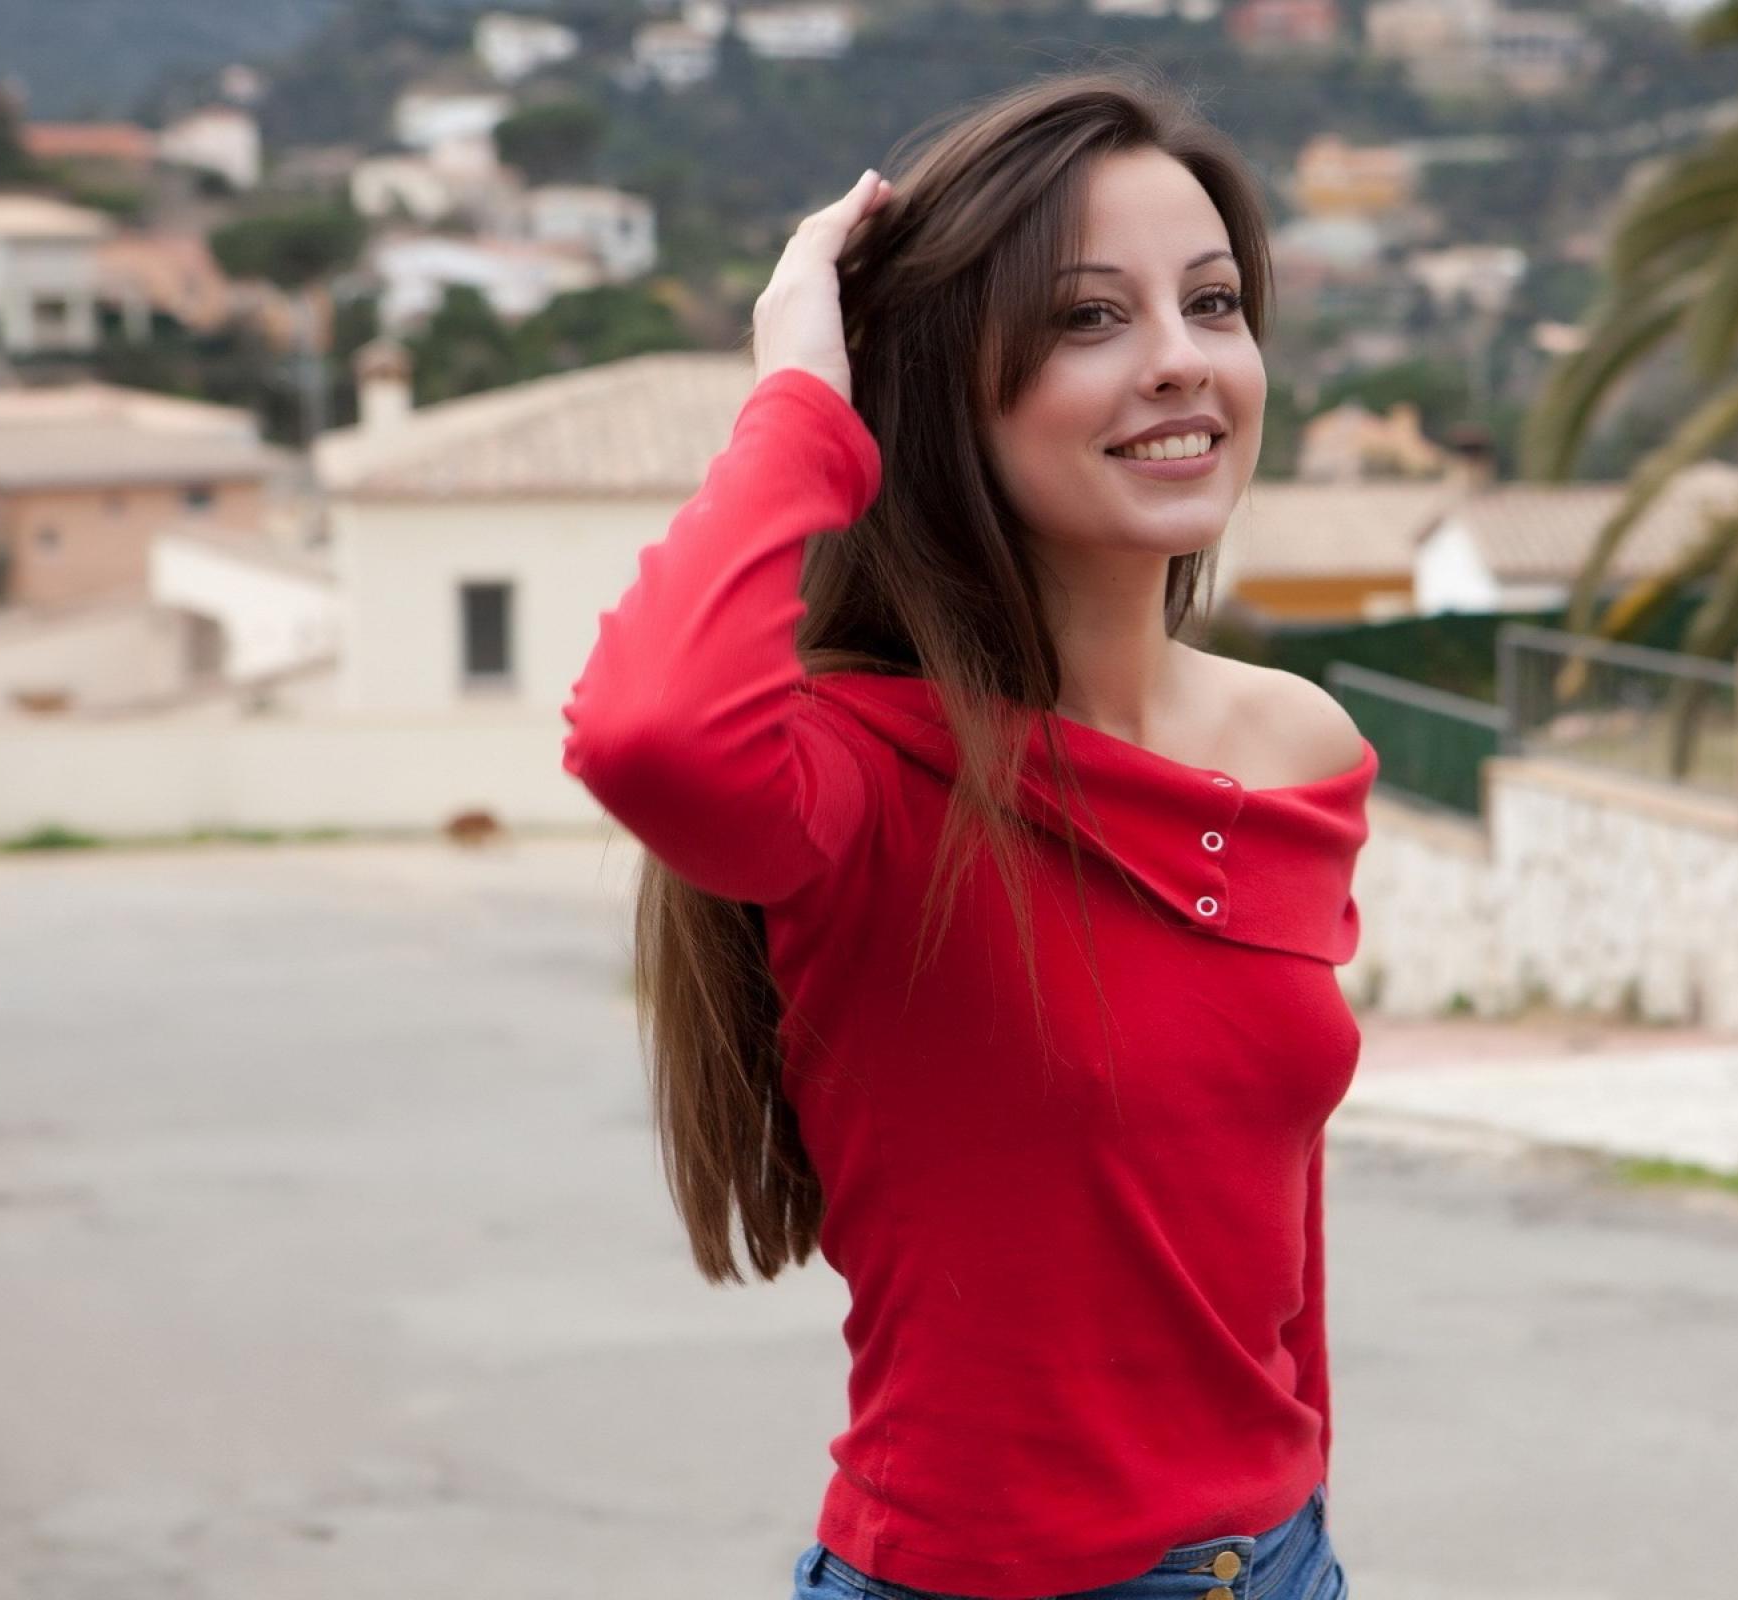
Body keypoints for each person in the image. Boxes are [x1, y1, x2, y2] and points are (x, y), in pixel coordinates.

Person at [560, 68, 1369, 1600]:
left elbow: (1262, 1224)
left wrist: (1296, 1494)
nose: (1181, 360)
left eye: (1211, 303)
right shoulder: (858, 781)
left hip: (1277, 1562)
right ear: (946, 391)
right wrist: (801, 394)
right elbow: (648, 734)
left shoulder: (1298, 749)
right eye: (1089, 318)